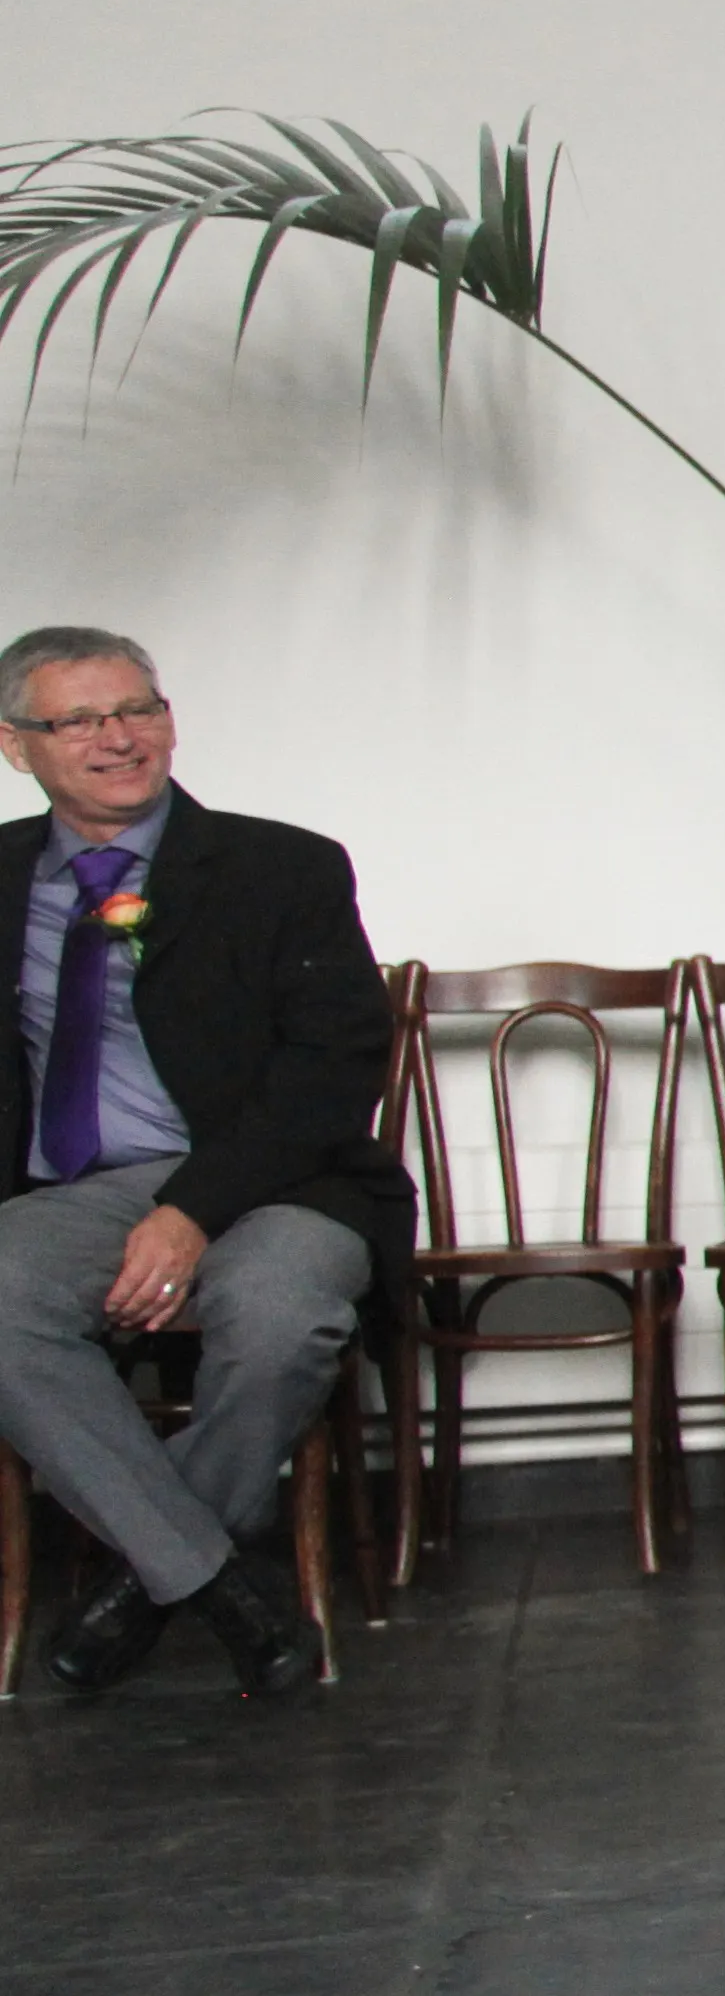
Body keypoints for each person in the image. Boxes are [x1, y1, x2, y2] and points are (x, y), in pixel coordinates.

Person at [0, 629, 398, 1701]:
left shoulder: (284, 866)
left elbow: (331, 1068)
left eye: (139, 708)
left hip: (275, 1179)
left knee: (280, 1313)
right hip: (72, 1194)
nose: (120, 737)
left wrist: (189, 1210)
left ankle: (143, 1580)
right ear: (15, 746)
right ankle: (214, 1580)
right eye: (80, 719)